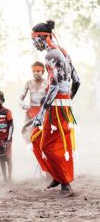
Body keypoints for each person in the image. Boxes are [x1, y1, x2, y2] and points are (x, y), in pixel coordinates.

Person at [31, 20, 80, 197]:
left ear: (44, 38)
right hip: (63, 105)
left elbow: (54, 86)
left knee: (47, 145)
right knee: (39, 139)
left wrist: (42, 112)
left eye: (35, 40)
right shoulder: (64, 52)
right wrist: (68, 99)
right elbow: (77, 79)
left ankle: (66, 185)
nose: (34, 44)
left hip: (56, 109)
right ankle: (57, 176)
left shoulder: (51, 55)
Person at [19, 61, 48, 143]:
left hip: (42, 112)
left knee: (41, 134)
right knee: (25, 132)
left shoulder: (47, 83)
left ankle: (42, 151)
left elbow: (50, 98)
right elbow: (20, 98)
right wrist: (22, 104)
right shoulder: (29, 83)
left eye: (38, 71)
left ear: (43, 71)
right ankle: (31, 149)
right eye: (33, 71)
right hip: (31, 112)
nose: (36, 73)